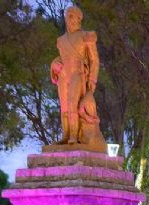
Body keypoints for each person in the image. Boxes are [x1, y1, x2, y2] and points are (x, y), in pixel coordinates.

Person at [50, 5, 105, 148]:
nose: (69, 19)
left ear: (78, 18)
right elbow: (61, 58)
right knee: (64, 107)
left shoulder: (86, 36)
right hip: (64, 74)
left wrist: (92, 80)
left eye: (71, 16)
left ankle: (74, 136)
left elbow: (95, 60)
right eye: (67, 16)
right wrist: (54, 63)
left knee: (72, 103)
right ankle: (66, 135)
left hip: (78, 73)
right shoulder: (60, 40)